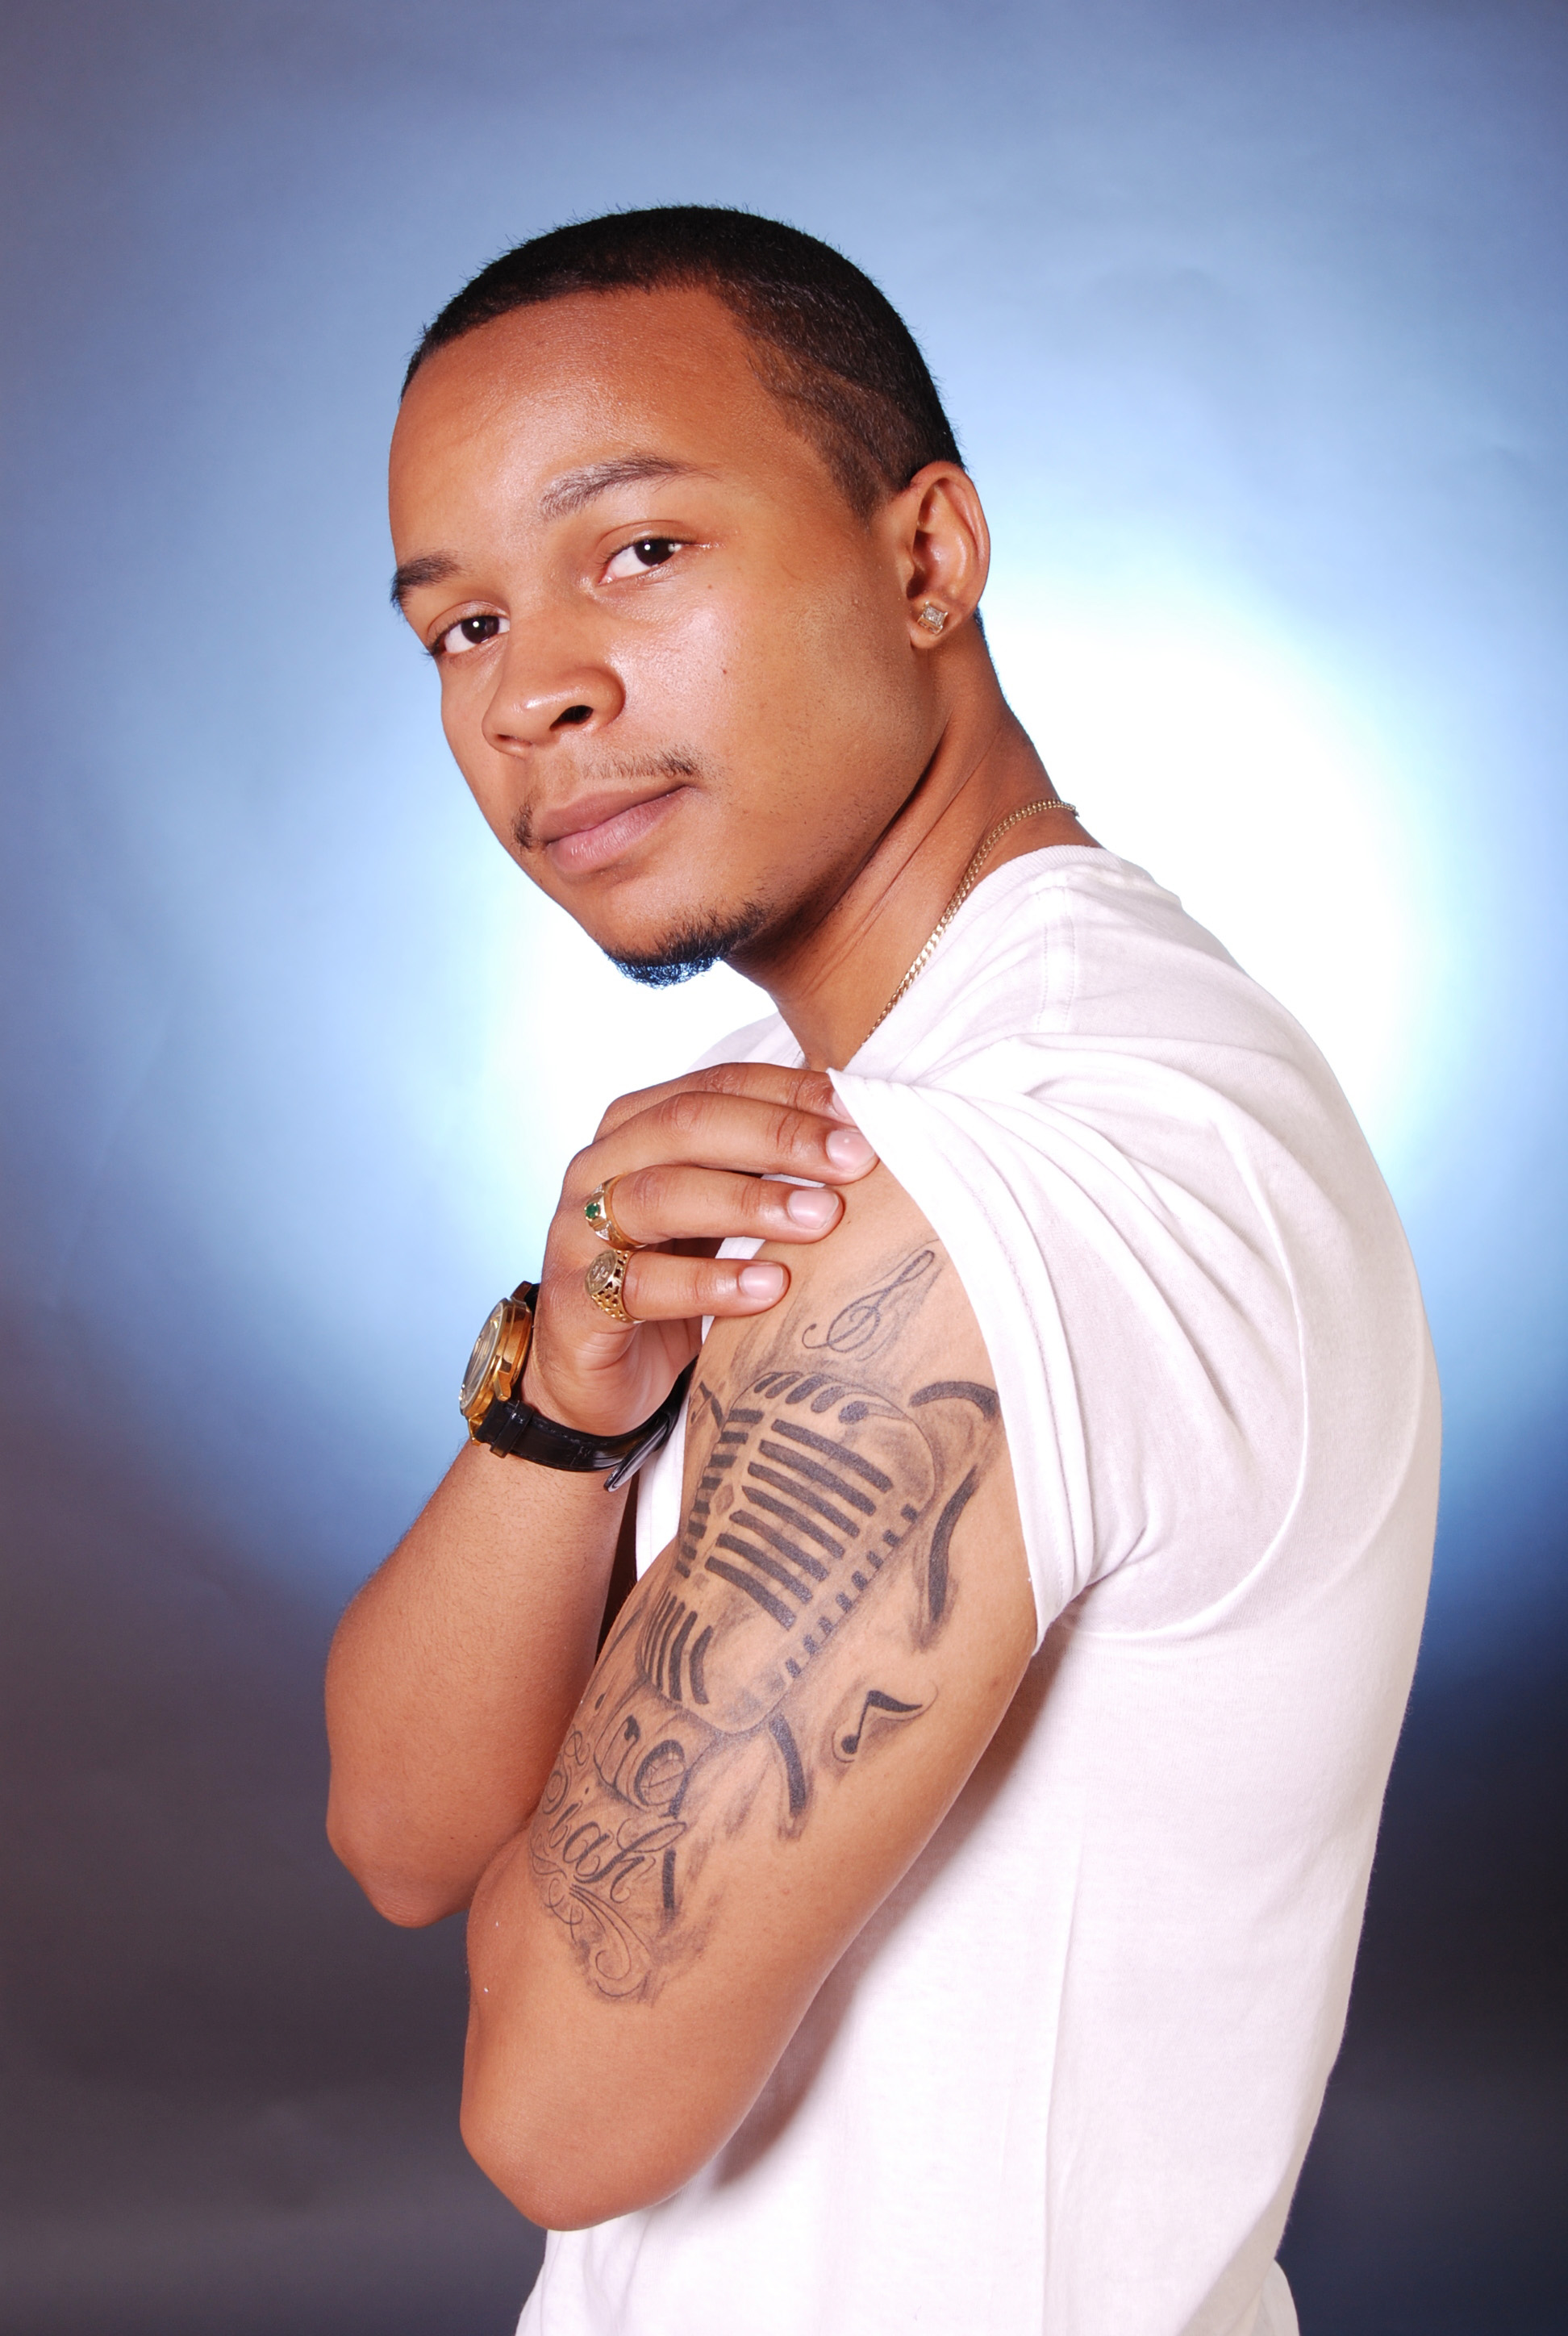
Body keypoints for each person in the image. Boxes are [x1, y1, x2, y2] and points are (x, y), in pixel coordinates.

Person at [324, 207, 1439, 2336]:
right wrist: (568, 1400)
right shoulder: (867, 1104)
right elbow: (396, 1830)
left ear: (930, 556)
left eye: (640, 548)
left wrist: (575, 1792)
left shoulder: (997, 1172)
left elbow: (557, 2106)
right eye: (459, 624)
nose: (533, 689)